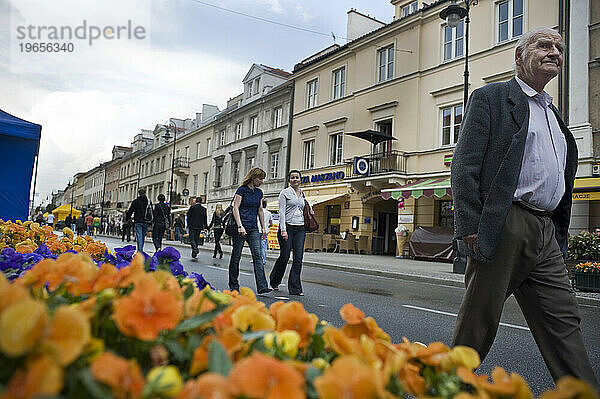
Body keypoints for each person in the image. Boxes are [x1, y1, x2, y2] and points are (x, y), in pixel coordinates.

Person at [451, 28, 597, 387]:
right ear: (519, 57)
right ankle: (445, 387)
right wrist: (470, 225)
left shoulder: (553, 113)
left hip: (545, 230)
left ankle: (583, 393)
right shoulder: (492, 98)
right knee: (478, 323)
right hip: (505, 222)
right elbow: (464, 164)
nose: (554, 53)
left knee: (564, 321)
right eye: (544, 46)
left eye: (559, 48)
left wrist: (557, 234)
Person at [228, 167, 271, 294]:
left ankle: (262, 286)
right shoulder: (242, 190)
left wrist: (263, 228)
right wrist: (240, 226)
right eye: (260, 178)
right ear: (253, 178)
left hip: (253, 228)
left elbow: (260, 210)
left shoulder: (259, 193)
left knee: (258, 256)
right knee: (236, 257)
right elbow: (235, 208)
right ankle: (234, 285)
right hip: (241, 227)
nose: (262, 181)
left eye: (263, 179)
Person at [269, 169, 311, 296]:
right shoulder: (284, 193)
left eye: (297, 177)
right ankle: (274, 280)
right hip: (287, 228)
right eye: (292, 177)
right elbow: (281, 212)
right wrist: (283, 230)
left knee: (298, 258)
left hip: (300, 228)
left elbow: (302, 208)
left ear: (300, 179)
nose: (295, 179)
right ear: (289, 180)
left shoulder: (302, 193)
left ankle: (295, 288)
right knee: (285, 257)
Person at [126, 188, 151, 252]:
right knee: (142, 235)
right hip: (146, 221)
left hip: (138, 220)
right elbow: (151, 211)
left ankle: (140, 250)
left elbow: (130, 211)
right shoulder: (148, 201)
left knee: (139, 235)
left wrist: (127, 218)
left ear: (139, 194)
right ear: (145, 193)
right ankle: (140, 248)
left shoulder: (136, 201)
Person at [259, 200, 273, 266]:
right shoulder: (269, 213)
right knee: (263, 246)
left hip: (258, 230)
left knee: (257, 246)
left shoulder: (258, 212)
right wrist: (267, 226)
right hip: (266, 231)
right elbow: (271, 224)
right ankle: (263, 259)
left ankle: (260, 259)